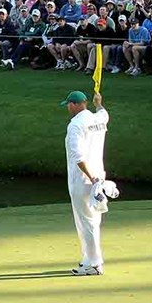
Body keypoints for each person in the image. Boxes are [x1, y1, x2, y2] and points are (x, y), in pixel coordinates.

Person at [61, 90, 109, 276]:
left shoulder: (75, 125)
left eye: (68, 104)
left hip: (83, 180)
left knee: (86, 222)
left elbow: (78, 156)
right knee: (92, 221)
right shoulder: (98, 119)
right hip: (98, 176)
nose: (67, 107)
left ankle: (94, 263)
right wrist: (99, 103)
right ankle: (88, 259)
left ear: (74, 105)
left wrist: (90, 177)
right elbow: (104, 114)